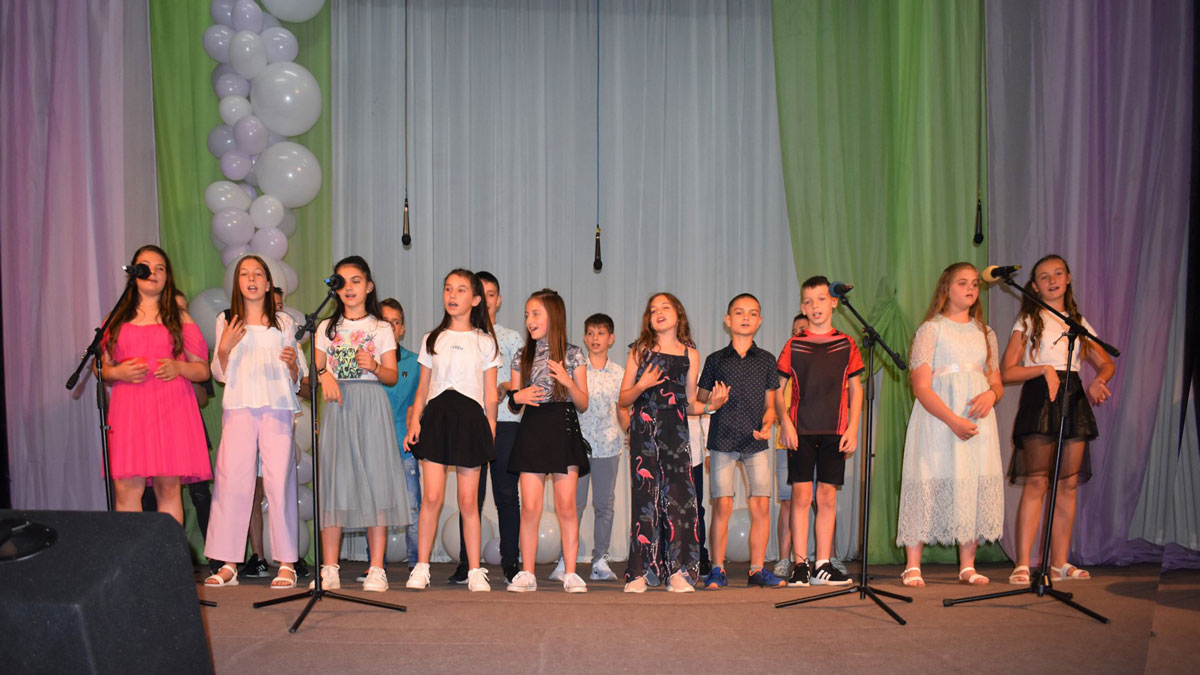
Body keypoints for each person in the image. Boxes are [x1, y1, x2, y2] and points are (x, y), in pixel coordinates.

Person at [1002, 254, 1114, 584]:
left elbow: (1106, 362)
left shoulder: (1077, 322)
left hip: (1073, 398)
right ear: (1035, 286)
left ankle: (1059, 563)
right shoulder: (1028, 320)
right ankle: (1023, 563)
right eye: (1044, 276)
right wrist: (1043, 369)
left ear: (1068, 278)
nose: (1052, 280)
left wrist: (1099, 380)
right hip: (1040, 398)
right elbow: (1007, 371)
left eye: (1058, 273)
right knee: (1037, 481)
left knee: (1067, 485)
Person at [895, 263, 1004, 587]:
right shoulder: (932, 330)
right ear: (947, 288)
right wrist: (953, 420)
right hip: (939, 421)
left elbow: (996, 381)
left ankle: (967, 565)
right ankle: (912, 565)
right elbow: (921, 387)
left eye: (974, 284)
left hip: (976, 421)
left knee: (970, 482)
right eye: (962, 283)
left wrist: (991, 395)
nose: (970, 288)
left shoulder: (986, 333)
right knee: (926, 480)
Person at [203, 256, 305, 589]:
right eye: (244, 274)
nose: (251, 279)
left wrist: (292, 366)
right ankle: (228, 562)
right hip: (239, 407)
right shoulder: (226, 320)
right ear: (237, 282)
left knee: (279, 483)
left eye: (258, 273)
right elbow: (219, 374)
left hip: (276, 407)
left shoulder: (284, 322)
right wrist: (224, 348)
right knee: (232, 482)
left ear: (268, 282)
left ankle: (286, 562)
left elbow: (296, 378)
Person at [311, 256, 410, 592]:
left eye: (356, 281)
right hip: (338, 406)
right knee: (335, 484)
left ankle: (377, 568)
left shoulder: (381, 328)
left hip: (371, 404)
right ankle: (330, 568)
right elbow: (316, 367)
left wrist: (375, 367)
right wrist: (324, 374)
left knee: (375, 484)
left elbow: (392, 376)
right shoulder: (326, 328)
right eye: (342, 282)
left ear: (369, 286)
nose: (349, 288)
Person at [618, 293, 727, 593]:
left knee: (679, 499)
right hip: (644, 428)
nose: (658, 312)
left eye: (665, 307)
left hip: (675, 431)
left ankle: (679, 571)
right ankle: (640, 572)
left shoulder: (691, 354)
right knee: (645, 498)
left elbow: (688, 403)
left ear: (678, 314)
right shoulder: (640, 351)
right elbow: (623, 398)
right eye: (653, 309)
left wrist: (711, 407)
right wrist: (642, 385)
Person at [101, 245, 211, 525]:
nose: (153, 273)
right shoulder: (117, 317)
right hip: (129, 412)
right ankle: (132, 554)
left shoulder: (179, 317)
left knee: (168, 488)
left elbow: (202, 370)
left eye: (160, 268)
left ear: (167, 277)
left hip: (170, 409)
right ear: (134, 273)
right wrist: (117, 372)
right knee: (127, 489)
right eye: (146, 267)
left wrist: (179, 367)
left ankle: (168, 553)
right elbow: (100, 368)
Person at [405, 269, 500, 593]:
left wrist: (490, 428)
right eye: (448, 289)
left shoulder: (485, 342)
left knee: (468, 501)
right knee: (431, 496)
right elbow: (422, 388)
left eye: (461, 290)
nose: (452, 295)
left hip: (470, 421)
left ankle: (474, 570)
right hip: (437, 419)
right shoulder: (432, 339)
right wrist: (415, 421)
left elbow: (490, 393)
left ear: (475, 299)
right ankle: (421, 567)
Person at [775, 276, 862, 587]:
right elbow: (777, 390)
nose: (815, 306)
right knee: (801, 496)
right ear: (802, 306)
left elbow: (855, 389)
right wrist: (785, 423)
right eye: (809, 301)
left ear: (834, 302)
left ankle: (823, 564)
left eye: (821, 299)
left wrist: (853, 427)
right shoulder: (794, 345)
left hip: (835, 430)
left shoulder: (847, 344)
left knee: (826, 497)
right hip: (801, 430)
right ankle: (800, 564)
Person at [505, 290, 591, 593]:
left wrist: (567, 381)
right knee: (530, 507)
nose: (529, 320)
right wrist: (518, 396)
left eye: (536, 313)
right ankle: (527, 572)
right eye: (527, 314)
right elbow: (513, 402)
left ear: (553, 316)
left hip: (563, 428)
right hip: (533, 429)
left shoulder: (573, 354)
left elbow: (583, 403)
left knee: (566, 505)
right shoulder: (522, 355)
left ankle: (571, 573)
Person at [699, 294, 782, 589]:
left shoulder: (767, 360)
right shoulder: (715, 360)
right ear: (728, 320)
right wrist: (713, 402)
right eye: (739, 312)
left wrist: (768, 423)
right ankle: (717, 569)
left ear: (760, 321)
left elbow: (771, 405)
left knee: (760, 505)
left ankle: (757, 570)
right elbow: (700, 403)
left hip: (755, 443)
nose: (746, 317)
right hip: (721, 441)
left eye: (752, 313)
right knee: (722, 505)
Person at [448, 271, 524, 585]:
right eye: (483, 294)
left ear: (498, 299)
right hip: (472, 424)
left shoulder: (512, 338)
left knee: (506, 494)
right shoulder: (461, 337)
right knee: (470, 497)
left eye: (492, 294)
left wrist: (506, 386)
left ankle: (511, 562)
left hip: (506, 422)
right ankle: (468, 563)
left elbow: (522, 381)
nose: (487, 301)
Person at [572, 313, 627, 582]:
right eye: (591, 333)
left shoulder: (618, 373)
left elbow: (622, 409)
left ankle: (600, 561)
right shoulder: (576, 369)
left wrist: (631, 431)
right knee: (573, 505)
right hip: (577, 447)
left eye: (601, 333)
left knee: (605, 505)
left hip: (608, 447)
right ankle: (567, 560)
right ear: (585, 337)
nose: (595, 338)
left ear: (611, 338)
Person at [382, 298, 422, 569]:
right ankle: (375, 565)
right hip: (373, 447)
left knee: (412, 508)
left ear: (402, 328)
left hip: (404, 446)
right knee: (375, 510)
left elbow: (418, 404)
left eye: (395, 323)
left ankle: (417, 564)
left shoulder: (414, 363)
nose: (391, 328)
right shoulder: (368, 362)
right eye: (385, 323)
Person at [772, 313, 807, 579]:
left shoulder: (824, 365)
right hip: (786, 444)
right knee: (788, 502)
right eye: (795, 330)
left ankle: (825, 559)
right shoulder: (784, 367)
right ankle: (784, 559)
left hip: (817, 443)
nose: (798, 333)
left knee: (820, 500)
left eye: (803, 329)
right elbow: (774, 403)